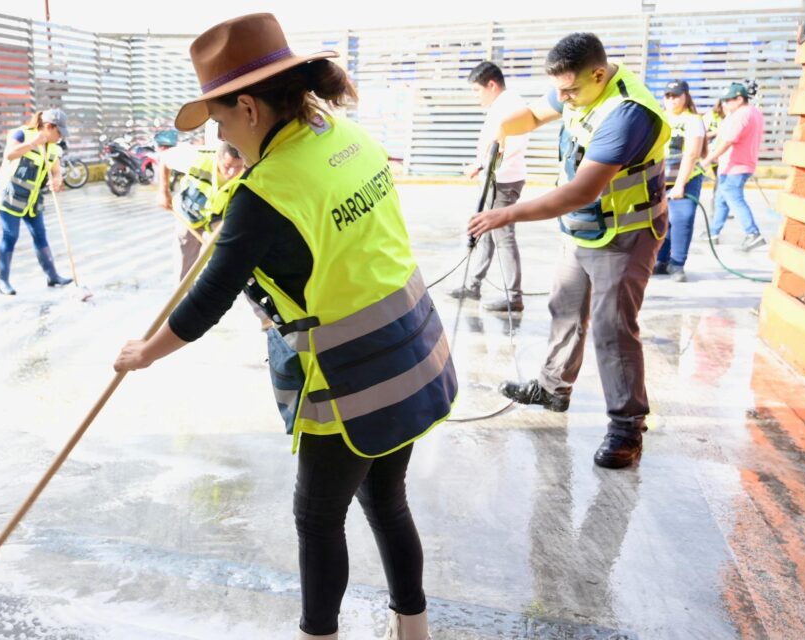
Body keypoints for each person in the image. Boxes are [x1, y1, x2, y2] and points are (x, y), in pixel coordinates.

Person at [114, 14, 455, 640]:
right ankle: (415, 630)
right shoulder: (338, 131)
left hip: (352, 375)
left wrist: (144, 353)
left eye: (220, 121)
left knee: (317, 518)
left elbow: (207, 300)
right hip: (412, 342)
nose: (220, 135)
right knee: (386, 500)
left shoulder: (265, 192)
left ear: (247, 105)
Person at [468, 32, 670, 470]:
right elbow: (530, 115)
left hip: (625, 234)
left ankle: (627, 427)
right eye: (559, 89)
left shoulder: (627, 114)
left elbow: (581, 190)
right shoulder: (578, 88)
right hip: (584, 231)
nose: (562, 99)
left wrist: (505, 215)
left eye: (569, 91)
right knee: (564, 306)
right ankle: (552, 386)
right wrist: (499, 132)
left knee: (612, 328)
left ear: (598, 74)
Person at [450, 61, 530, 312]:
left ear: (491, 85)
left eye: (477, 90)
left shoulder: (511, 107)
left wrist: (482, 166)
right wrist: (480, 165)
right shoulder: (502, 106)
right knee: (484, 234)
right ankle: (473, 284)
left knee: (503, 237)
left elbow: (509, 147)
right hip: (494, 179)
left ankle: (514, 296)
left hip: (503, 182)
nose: (476, 97)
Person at [0, 108, 74, 295]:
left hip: (33, 198)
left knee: (40, 235)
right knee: (10, 235)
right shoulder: (21, 134)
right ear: (49, 127)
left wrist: (57, 179)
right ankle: (3, 281)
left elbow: (56, 170)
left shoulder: (53, 148)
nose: (60, 137)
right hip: (11, 195)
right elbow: (9, 154)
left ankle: (52, 276)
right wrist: (33, 143)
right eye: (58, 132)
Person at [159, 142, 246, 279]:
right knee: (185, 270)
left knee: (226, 263)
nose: (231, 173)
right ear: (218, 158)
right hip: (188, 216)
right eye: (227, 166)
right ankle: (182, 297)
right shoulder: (197, 158)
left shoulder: (248, 172)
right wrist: (164, 192)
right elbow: (165, 158)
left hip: (218, 220)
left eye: (238, 167)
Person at [654, 79, 706, 282]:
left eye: (676, 95)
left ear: (686, 96)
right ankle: (660, 260)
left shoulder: (693, 120)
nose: (672, 99)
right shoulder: (658, 118)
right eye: (668, 95)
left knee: (681, 218)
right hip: (658, 176)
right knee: (660, 220)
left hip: (684, 178)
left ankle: (677, 264)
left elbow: (692, 153)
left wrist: (679, 185)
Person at [705, 81, 767, 251]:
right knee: (721, 200)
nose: (724, 104)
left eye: (728, 100)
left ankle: (753, 233)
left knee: (734, 199)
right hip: (735, 165)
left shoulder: (741, 114)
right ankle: (714, 232)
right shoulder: (753, 112)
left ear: (739, 99)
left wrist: (708, 159)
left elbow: (728, 141)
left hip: (736, 166)